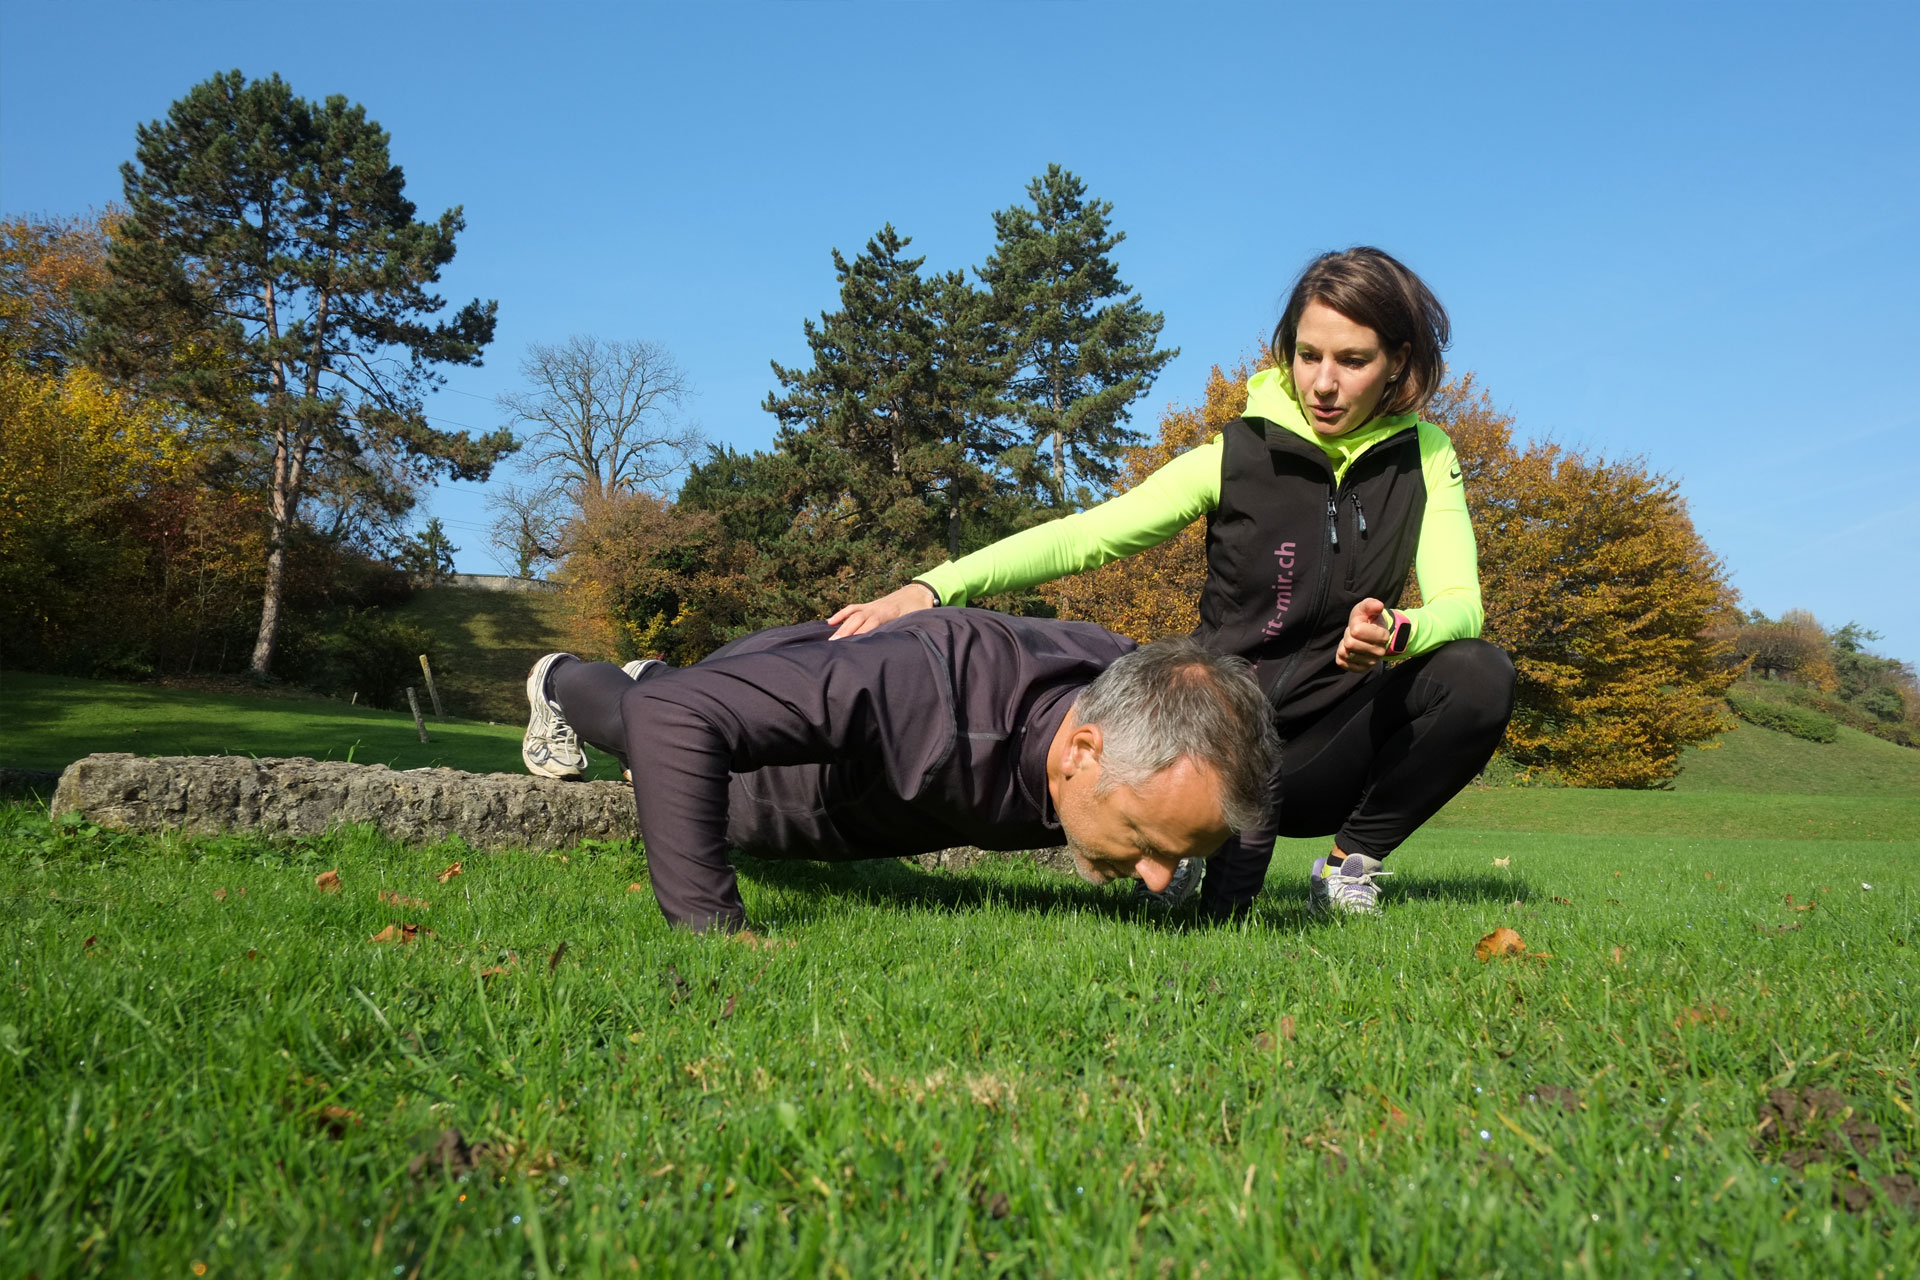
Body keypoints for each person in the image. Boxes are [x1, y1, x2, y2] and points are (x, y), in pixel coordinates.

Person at [827, 247, 1516, 920]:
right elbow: (1084, 537)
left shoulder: (1426, 457)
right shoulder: (1235, 456)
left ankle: (1350, 864)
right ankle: (1184, 841)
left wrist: (1400, 631)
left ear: (1399, 361)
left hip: (1325, 751)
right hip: (1217, 737)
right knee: (1224, 921)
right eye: (1309, 356)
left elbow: (1462, 606)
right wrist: (933, 587)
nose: (1324, 384)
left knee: (1479, 675)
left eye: (1353, 361)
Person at [521, 609, 1278, 933]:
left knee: (675, 699)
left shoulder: (1141, 698)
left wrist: (1225, 908)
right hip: (757, 770)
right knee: (644, 712)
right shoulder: (931, 692)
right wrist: (713, 930)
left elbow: (1247, 783)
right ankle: (563, 677)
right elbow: (678, 723)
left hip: (825, 695)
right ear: (1082, 752)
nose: (1156, 879)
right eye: (1148, 841)